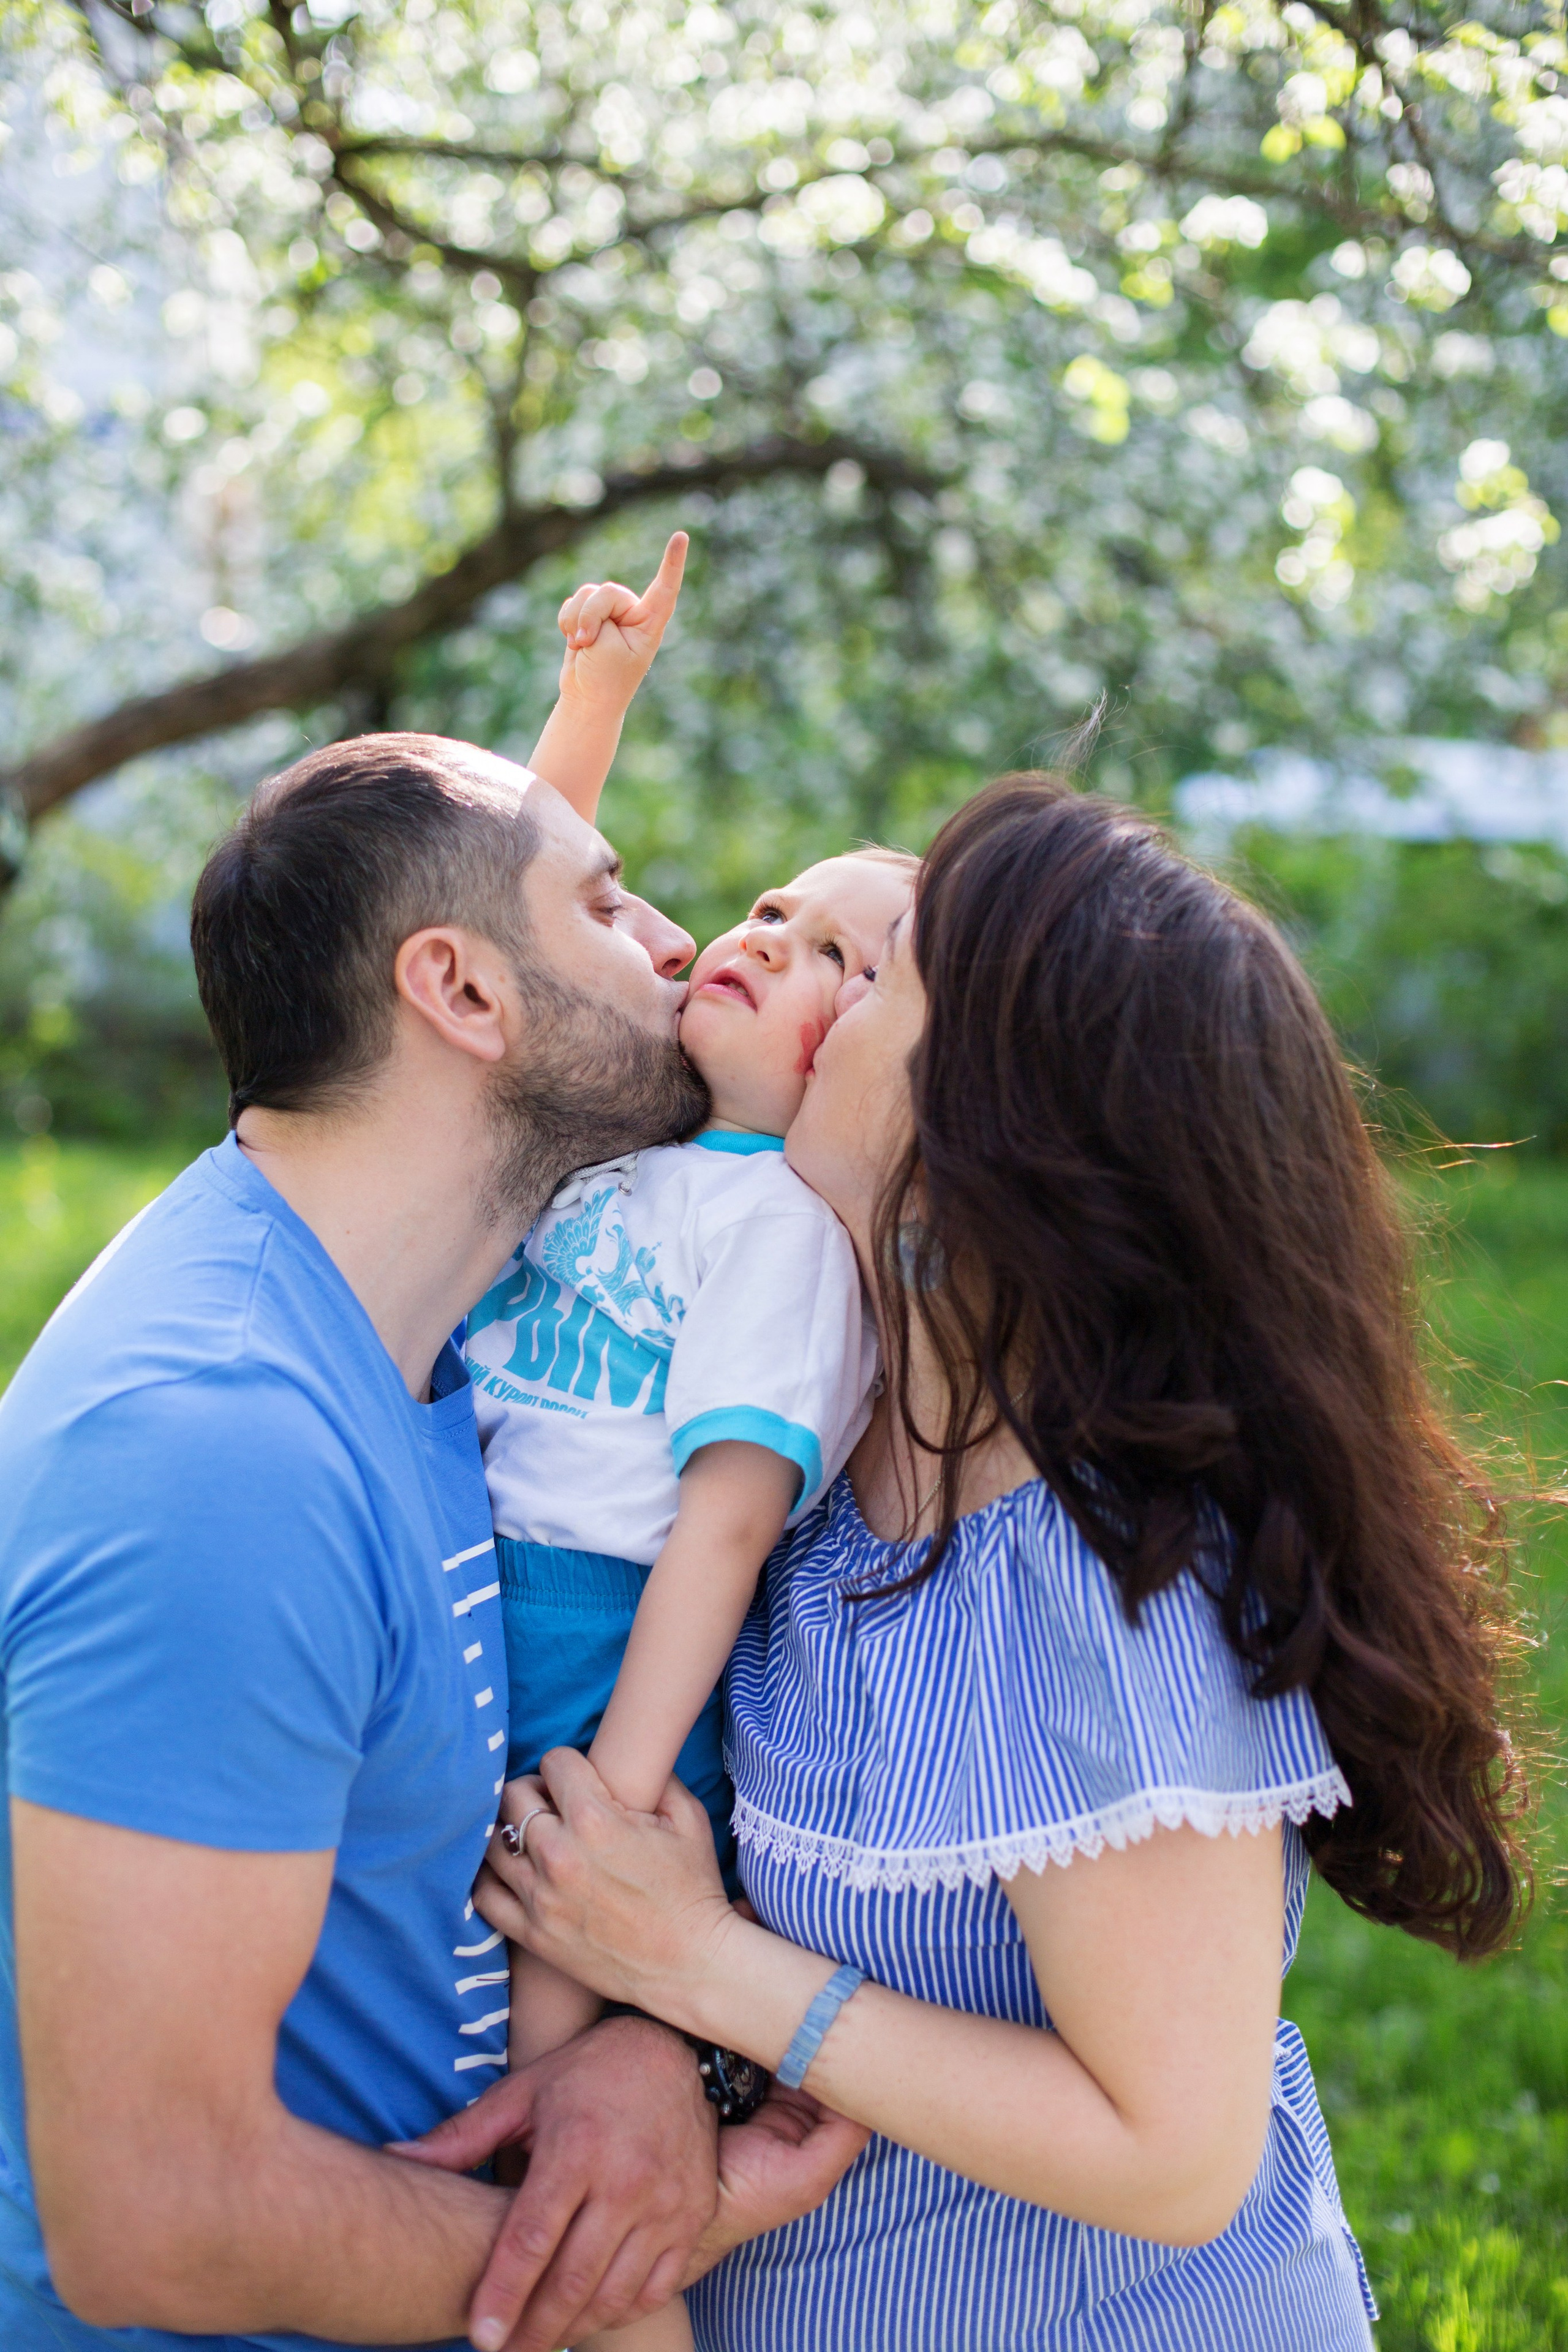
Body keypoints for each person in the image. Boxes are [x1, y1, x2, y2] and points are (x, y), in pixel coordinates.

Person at [438, 775, 1532, 2351]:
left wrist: (692, 1961)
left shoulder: (1107, 1580)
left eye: (876, 974)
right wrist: (669, 2048)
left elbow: (1172, 2152)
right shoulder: (833, 1448)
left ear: (993, 1125)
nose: (805, 978)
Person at [0, 540, 865, 2352]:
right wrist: (639, 2242)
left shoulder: (408, 1304)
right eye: (615, 906)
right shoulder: (220, 1461)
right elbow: (156, 2226)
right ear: (464, 1000)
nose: (677, 942)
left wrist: (624, 2063)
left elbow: (486, 910)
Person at [458, 557, 911, 2350]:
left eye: (833, 960)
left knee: (563, 2143)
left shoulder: (784, 1234)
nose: (763, 938)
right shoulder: (638, 1118)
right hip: (483, 1599)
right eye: (774, 908)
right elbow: (504, 915)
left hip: (600, 1670)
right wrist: (597, 706)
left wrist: (623, 1809)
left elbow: (720, 1535)